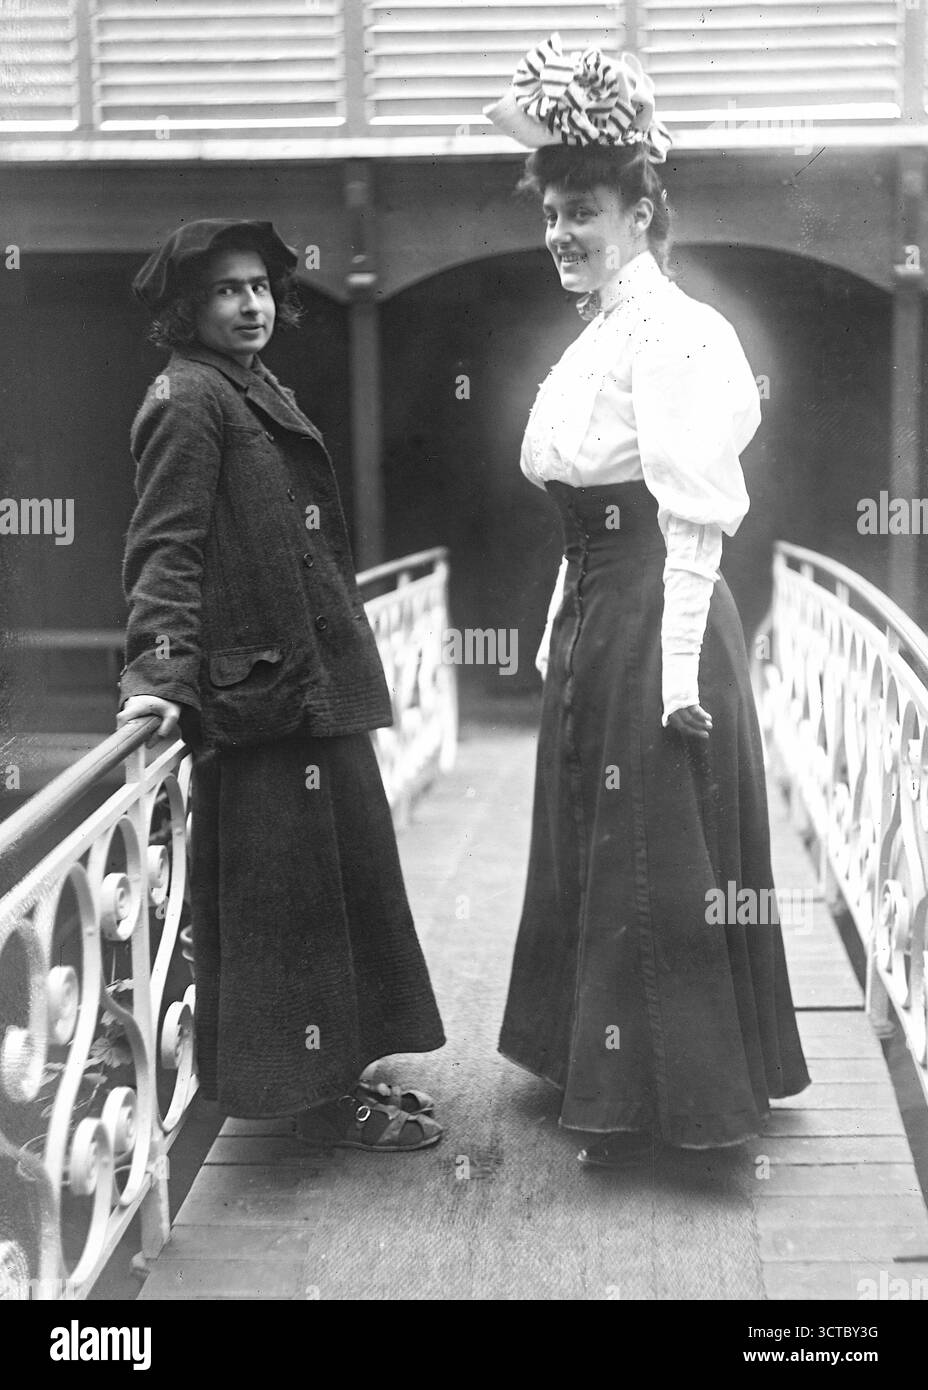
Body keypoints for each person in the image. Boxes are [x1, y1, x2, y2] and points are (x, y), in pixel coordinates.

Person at [485, 36, 810, 1165]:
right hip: (599, 615)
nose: (562, 236)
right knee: (599, 832)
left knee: (649, 851)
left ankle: (669, 1108)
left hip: (658, 616)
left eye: (583, 212)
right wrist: (552, 630)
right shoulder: (604, 337)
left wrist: (675, 673)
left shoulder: (673, 333)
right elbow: (586, 511)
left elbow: (688, 516)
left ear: (638, 214)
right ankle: (600, 1068)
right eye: (552, 216)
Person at [117, 219, 445, 1151]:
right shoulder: (186, 398)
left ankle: (344, 1077)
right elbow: (164, 547)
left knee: (332, 888)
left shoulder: (246, 385)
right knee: (287, 907)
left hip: (304, 689)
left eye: (259, 286)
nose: (251, 304)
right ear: (189, 307)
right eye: (226, 290)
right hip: (259, 704)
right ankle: (316, 1105)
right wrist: (159, 669)